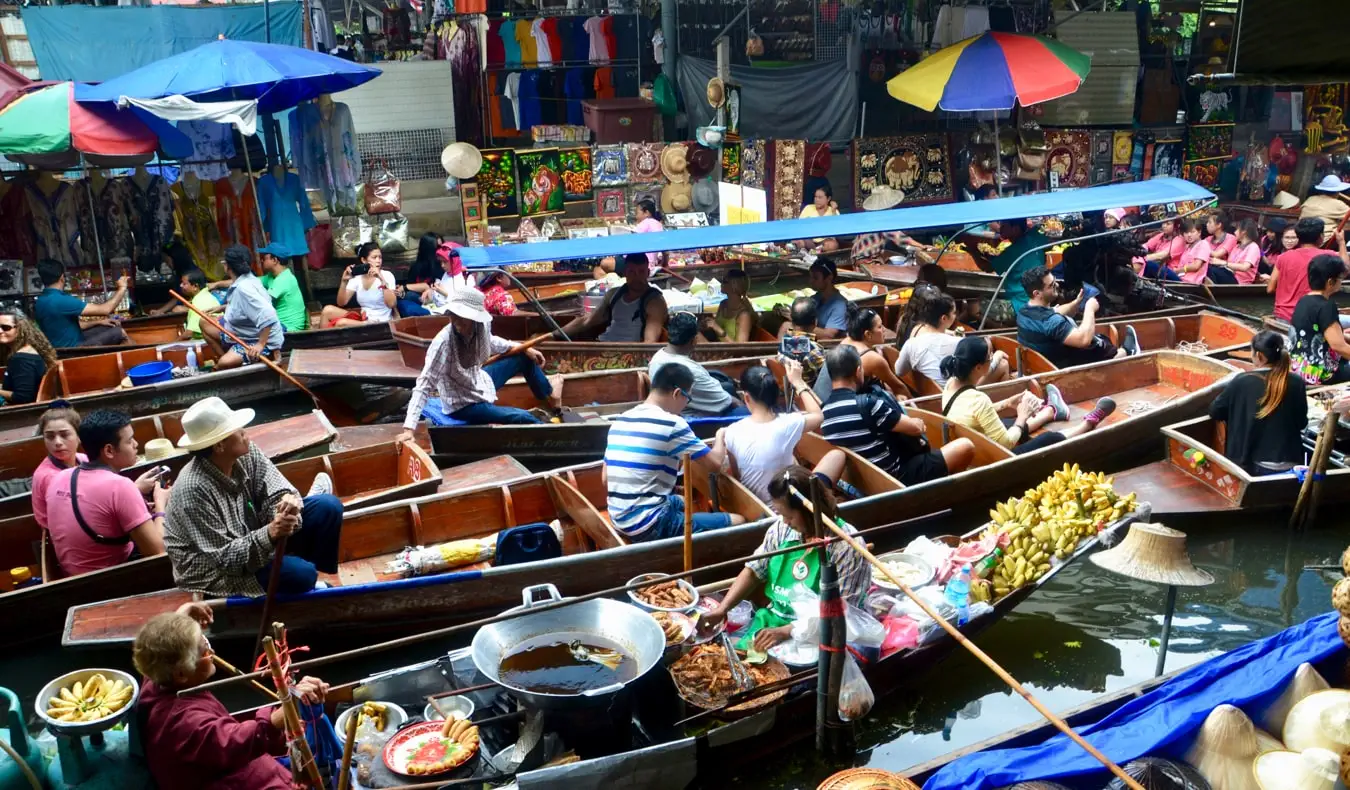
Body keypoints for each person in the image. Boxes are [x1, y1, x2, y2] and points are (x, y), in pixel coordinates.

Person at [134, 604, 331, 789]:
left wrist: (182, 616)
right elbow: (232, 741)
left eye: (206, 641)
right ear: (181, 674)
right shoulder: (185, 724)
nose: (211, 651)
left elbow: (163, 645)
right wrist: (283, 713)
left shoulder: (157, 676)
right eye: (204, 650)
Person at [164, 397, 344, 596]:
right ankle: (302, 577)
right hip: (214, 570)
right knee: (302, 574)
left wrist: (285, 505)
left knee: (327, 507)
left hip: (252, 536)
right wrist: (271, 532)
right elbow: (225, 560)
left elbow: (278, 489)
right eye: (237, 430)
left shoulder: (247, 452)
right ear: (219, 446)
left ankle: (307, 577)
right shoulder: (193, 489)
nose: (245, 433)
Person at [700, 465, 870, 652]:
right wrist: (723, 609)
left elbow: (842, 612)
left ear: (810, 511)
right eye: (781, 515)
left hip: (822, 632)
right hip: (775, 619)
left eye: (789, 516)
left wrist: (787, 631)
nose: (785, 522)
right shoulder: (781, 530)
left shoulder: (846, 546)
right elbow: (754, 570)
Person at [603, 362, 745, 541]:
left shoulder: (620, 420)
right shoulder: (672, 424)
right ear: (678, 393)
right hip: (649, 524)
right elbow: (715, 464)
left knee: (682, 501)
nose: (686, 404)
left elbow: (604, 479)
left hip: (618, 517)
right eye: (688, 398)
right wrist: (720, 435)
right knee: (739, 521)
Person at [397, 288, 562, 431]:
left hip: (480, 381)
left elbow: (491, 342)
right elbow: (424, 385)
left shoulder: (481, 326)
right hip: (462, 404)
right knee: (523, 417)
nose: (456, 320)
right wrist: (408, 428)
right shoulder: (443, 343)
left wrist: (525, 347)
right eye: (453, 315)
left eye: (462, 315)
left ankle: (549, 396)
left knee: (523, 355)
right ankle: (550, 431)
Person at [820, 345, 974, 485]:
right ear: (858, 371)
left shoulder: (824, 412)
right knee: (965, 446)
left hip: (865, 482)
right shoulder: (869, 404)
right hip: (896, 478)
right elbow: (916, 429)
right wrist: (915, 419)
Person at [939, 337, 1115, 455]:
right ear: (978, 368)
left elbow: (971, 414)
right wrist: (1022, 416)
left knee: (1007, 423)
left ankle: (1050, 412)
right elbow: (1007, 443)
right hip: (991, 457)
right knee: (1048, 438)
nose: (992, 360)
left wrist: (1006, 403)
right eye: (989, 358)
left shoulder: (951, 384)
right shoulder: (978, 400)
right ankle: (1088, 423)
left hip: (975, 443)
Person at [45, 410, 167, 576]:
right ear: (109, 450)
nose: (136, 445)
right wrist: (161, 504)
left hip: (70, 576)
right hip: (110, 580)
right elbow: (157, 553)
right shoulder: (120, 486)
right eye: (130, 440)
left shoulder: (59, 477)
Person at [721, 362, 832, 503]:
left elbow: (737, 475)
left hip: (758, 508)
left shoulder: (732, 430)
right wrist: (798, 382)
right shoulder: (787, 424)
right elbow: (818, 415)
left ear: (746, 397)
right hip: (788, 505)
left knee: (793, 460)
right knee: (836, 455)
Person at [1209, 330, 1307, 475]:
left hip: (1254, 465)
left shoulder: (1242, 381)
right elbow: (1302, 423)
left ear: (1259, 355)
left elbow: (1215, 411)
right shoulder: (1297, 382)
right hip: (1292, 461)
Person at [1016, 267, 1138, 369]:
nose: (1057, 285)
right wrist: (1089, 309)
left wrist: (1076, 303)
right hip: (1062, 367)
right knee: (1096, 343)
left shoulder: (1024, 312)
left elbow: (1055, 311)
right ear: (1037, 293)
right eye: (1051, 285)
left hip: (1041, 364)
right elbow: (1083, 340)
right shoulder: (1051, 322)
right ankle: (1126, 352)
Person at [896, 291, 1008, 389]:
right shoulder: (958, 344)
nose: (956, 316)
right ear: (944, 318)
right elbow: (981, 370)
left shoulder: (911, 343)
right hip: (955, 397)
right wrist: (997, 355)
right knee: (1003, 364)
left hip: (932, 395)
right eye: (954, 313)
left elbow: (899, 371)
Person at [551, 252, 667, 343]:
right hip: (604, 343)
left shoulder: (655, 302)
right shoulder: (614, 294)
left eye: (641, 272)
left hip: (629, 353)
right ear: (625, 272)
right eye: (632, 272)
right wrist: (555, 334)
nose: (637, 277)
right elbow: (588, 320)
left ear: (647, 273)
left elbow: (649, 342)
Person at [650, 312, 746, 417]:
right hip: (694, 418)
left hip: (676, 407)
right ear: (694, 340)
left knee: (726, 384)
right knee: (742, 411)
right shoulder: (690, 371)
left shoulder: (657, 357)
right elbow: (729, 402)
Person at [207, 245, 284, 370]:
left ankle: (262, 355)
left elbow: (268, 314)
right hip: (242, 332)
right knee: (204, 322)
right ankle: (230, 355)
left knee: (224, 363)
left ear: (228, 266)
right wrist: (223, 307)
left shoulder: (244, 288)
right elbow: (246, 305)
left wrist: (260, 344)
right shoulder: (246, 278)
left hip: (258, 339)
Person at [33, 259, 130, 348]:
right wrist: (122, 288)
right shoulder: (61, 300)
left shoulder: (40, 301)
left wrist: (99, 322)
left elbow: (70, 325)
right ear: (62, 278)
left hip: (60, 348)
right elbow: (106, 309)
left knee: (107, 327)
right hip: (74, 350)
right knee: (120, 332)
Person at [1288, 254, 1350, 384]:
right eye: (1340, 278)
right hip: (1321, 373)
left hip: (1298, 367)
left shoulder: (1303, 300)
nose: (1341, 281)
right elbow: (1338, 346)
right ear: (1330, 282)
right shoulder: (1327, 306)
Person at [832, 308, 907, 398]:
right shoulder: (872, 358)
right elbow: (899, 387)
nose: (884, 329)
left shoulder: (847, 341)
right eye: (880, 327)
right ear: (868, 334)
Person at [321, 242, 398, 328]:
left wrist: (381, 279)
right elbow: (341, 303)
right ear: (364, 260)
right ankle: (320, 340)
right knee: (327, 310)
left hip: (379, 322)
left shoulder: (387, 275)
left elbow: (391, 304)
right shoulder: (357, 278)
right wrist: (344, 282)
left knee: (342, 323)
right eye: (374, 257)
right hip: (364, 317)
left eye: (380, 257)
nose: (378, 260)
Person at [31, 406, 84, 529]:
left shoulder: (83, 459)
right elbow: (74, 516)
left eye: (64, 435)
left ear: (79, 436)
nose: (57, 442)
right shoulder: (49, 477)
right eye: (50, 437)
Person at [1269, 218, 1330, 322]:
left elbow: (1270, 289)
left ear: (1299, 238)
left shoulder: (1283, 257)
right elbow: (1346, 267)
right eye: (1287, 237)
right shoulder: (1328, 255)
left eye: (1292, 237)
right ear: (1321, 237)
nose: (1289, 240)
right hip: (1309, 315)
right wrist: (1341, 242)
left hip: (1283, 315)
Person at [988, 218, 1050, 318]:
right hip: (1039, 299)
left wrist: (972, 250)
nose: (1001, 227)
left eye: (1004, 225)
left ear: (1016, 229)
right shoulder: (1035, 237)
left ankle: (1015, 326)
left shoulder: (1012, 251)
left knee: (974, 307)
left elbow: (988, 268)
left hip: (1020, 304)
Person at [0, 309, 55, 405]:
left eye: (6, 327)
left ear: (20, 329)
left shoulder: (21, 359)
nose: (0, 331)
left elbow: (23, 397)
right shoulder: (29, 350)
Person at [256, 243, 308, 333]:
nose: (261, 260)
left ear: (275, 260)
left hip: (289, 328)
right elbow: (249, 281)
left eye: (264, 258)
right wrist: (222, 283)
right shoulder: (271, 276)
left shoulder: (284, 279)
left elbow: (262, 302)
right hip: (280, 324)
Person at [776, 296, 827, 387]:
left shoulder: (785, 341)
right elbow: (829, 373)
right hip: (808, 395)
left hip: (791, 392)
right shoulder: (813, 351)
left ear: (792, 319)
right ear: (815, 322)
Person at [396, 232, 445, 317]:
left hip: (434, 298)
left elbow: (431, 287)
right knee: (404, 299)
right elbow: (411, 285)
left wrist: (405, 287)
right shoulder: (416, 266)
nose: (440, 251)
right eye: (437, 247)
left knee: (407, 296)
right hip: (419, 299)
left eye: (442, 247)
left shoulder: (442, 265)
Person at [704, 268, 755, 342]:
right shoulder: (723, 304)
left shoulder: (744, 315)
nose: (721, 283)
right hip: (717, 346)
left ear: (734, 286)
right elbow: (715, 331)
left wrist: (718, 329)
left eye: (724, 281)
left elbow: (740, 348)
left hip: (730, 352)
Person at [175, 269, 226, 340]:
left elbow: (189, 334)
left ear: (195, 286)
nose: (181, 285)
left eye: (184, 284)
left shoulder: (198, 302)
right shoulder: (207, 295)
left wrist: (171, 345)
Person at [1299, 174, 1350, 244]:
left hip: (1303, 238)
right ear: (1338, 191)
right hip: (1324, 241)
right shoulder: (1337, 204)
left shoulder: (1310, 199)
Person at [807, 259, 850, 338]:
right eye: (811, 277)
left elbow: (829, 335)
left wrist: (801, 327)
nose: (811, 281)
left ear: (829, 278)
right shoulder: (815, 298)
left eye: (816, 278)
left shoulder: (840, 305)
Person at [1139, 214, 1185, 281]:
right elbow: (1146, 245)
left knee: (1149, 265)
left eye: (1168, 224)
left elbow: (1162, 255)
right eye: (1163, 223)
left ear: (1176, 226)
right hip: (1160, 269)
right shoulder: (1161, 235)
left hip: (1172, 273)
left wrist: (1142, 258)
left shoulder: (1179, 240)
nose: (1164, 225)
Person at [1226, 219, 1267, 285]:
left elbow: (1245, 267)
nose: (1234, 232)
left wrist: (1223, 263)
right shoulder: (1236, 247)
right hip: (1230, 277)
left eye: (1237, 229)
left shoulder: (1253, 247)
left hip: (1240, 283)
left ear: (1243, 232)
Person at [1176, 217, 1214, 284]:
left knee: (1152, 266)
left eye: (1192, 232)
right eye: (1186, 232)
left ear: (1199, 232)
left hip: (1190, 282)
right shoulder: (1187, 247)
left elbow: (1196, 266)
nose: (1189, 235)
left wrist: (1179, 270)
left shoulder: (1203, 244)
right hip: (1180, 278)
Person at [633, 198, 665, 271]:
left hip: (640, 262)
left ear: (646, 213)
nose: (636, 216)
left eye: (637, 213)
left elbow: (633, 238)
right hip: (652, 262)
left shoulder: (646, 222)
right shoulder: (658, 224)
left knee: (605, 263)